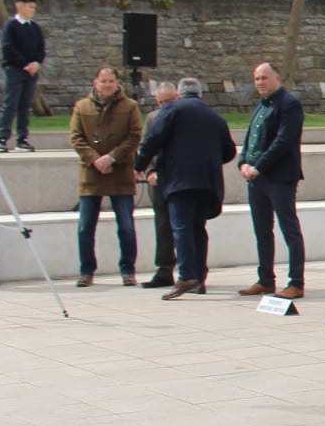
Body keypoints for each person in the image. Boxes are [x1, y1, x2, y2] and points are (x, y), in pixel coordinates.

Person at [135, 77, 235, 299]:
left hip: (179, 180)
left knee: (181, 228)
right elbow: (229, 152)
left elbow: (153, 138)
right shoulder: (215, 118)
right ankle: (199, 278)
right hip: (207, 182)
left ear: (179, 94)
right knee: (198, 229)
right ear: (200, 94)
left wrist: (140, 165)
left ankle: (187, 276)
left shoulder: (171, 110)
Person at [68, 65, 144, 288]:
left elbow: (134, 136)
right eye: (103, 81)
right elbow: (76, 137)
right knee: (86, 226)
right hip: (91, 175)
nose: (107, 85)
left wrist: (112, 158)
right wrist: (95, 159)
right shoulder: (82, 107)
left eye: (111, 81)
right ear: (95, 83)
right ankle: (86, 271)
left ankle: (128, 270)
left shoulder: (130, 107)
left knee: (126, 225)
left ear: (117, 83)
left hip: (119, 173)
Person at [237, 61, 306, 300]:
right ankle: (266, 279)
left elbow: (283, 141)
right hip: (256, 178)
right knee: (262, 230)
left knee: (289, 229)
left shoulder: (289, 105)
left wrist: (259, 167)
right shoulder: (260, 106)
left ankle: (296, 282)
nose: (260, 83)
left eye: (264, 78)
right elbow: (250, 139)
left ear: (277, 78)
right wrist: (243, 162)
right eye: (257, 79)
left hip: (279, 178)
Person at [141, 81, 179, 290]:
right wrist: (150, 172)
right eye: (161, 102)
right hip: (158, 180)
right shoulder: (152, 119)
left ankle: (190, 271)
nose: (165, 106)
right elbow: (146, 146)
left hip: (180, 179)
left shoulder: (185, 118)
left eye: (169, 101)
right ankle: (164, 269)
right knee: (163, 226)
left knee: (185, 226)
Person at [0, 0, 44, 153]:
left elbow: (41, 49)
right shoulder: (11, 25)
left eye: (34, 7)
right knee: (11, 103)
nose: (32, 10)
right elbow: (8, 48)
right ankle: (2, 138)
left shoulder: (34, 27)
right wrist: (24, 64)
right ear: (19, 6)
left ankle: (22, 138)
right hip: (14, 69)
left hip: (30, 71)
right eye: (30, 7)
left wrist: (36, 63)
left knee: (24, 105)